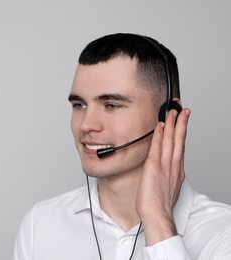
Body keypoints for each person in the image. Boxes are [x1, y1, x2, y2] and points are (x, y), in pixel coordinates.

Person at [13, 33, 231, 259]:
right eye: (79, 105)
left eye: (112, 105)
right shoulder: (40, 225)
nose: (86, 124)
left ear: (168, 116)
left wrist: (158, 221)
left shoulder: (223, 235)